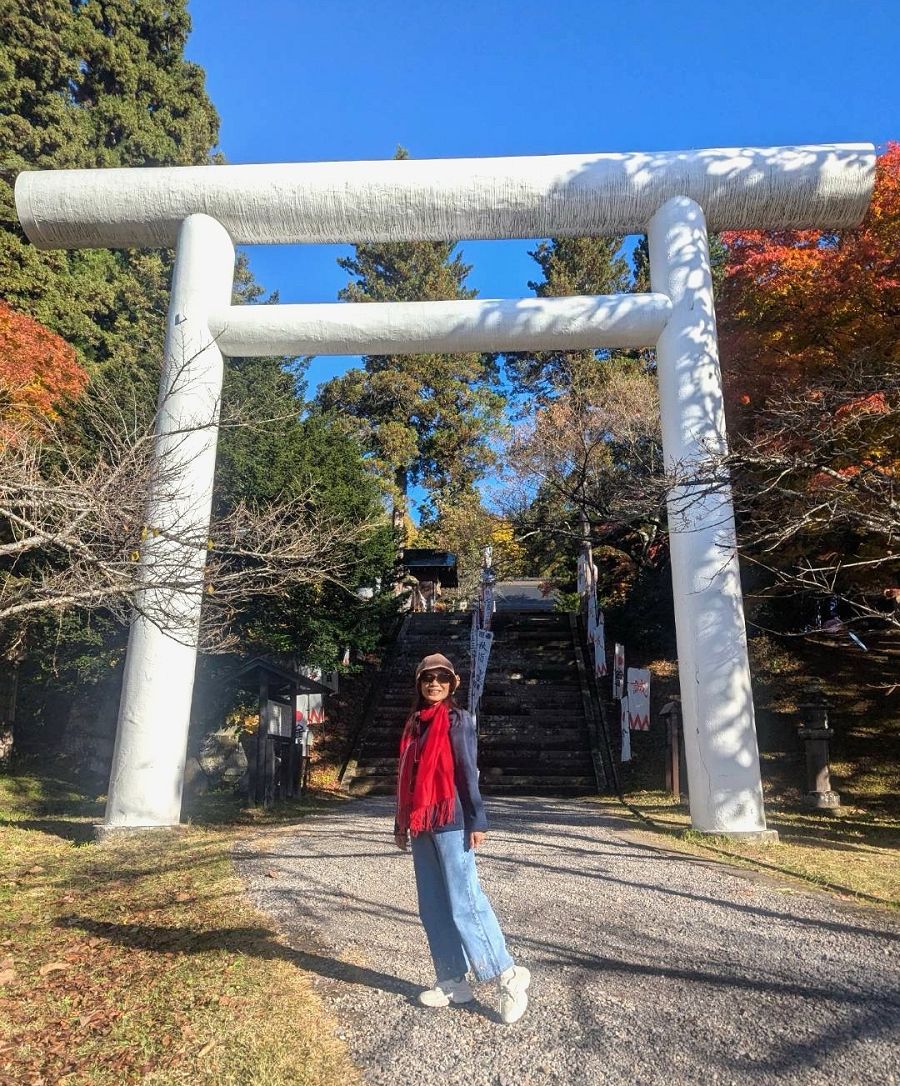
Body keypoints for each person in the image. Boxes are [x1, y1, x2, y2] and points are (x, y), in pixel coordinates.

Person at [394, 652, 530, 1024]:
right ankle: (453, 979)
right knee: (432, 905)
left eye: (441, 677)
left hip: (451, 818)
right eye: (427, 678)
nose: (433, 683)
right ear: (419, 683)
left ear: (453, 683)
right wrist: (402, 822)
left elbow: (468, 772)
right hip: (422, 823)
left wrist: (477, 820)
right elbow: (407, 777)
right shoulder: (414, 723)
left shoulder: (458, 720)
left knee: (464, 901)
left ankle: (507, 974)